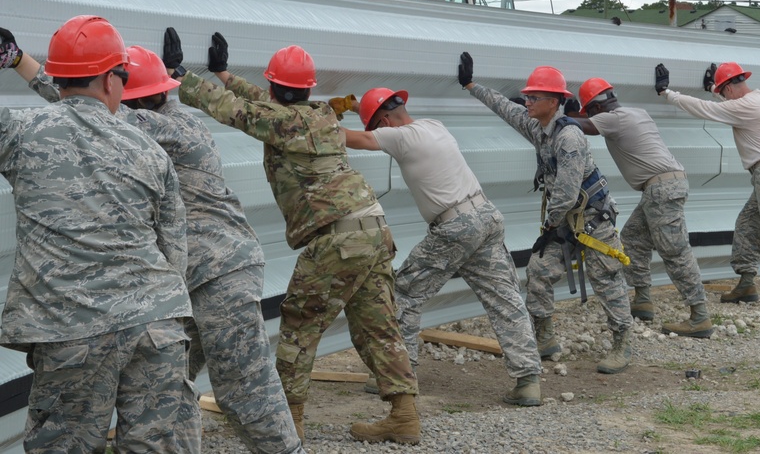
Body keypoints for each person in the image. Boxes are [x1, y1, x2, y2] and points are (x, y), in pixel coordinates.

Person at [4, 29, 306, 453]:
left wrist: (23, 64)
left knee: (243, 383)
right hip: (181, 282)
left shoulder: (158, 128)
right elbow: (83, 102)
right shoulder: (171, 116)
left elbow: (79, 109)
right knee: (164, 392)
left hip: (216, 272)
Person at [172, 30, 420, 445]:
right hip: (374, 229)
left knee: (299, 326)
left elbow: (236, 111)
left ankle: (290, 425)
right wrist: (224, 74)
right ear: (308, 87)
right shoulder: (318, 115)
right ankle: (404, 415)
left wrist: (179, 76)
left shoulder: (283, 123)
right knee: (376, 323)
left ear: (274, 85)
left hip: (338, 239)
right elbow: (262, 103)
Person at [0, 18, 199, 452]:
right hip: (156, 323)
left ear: (56, 76)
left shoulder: (21, 134)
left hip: (71, 331)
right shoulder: (150, 150)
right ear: (112, 80)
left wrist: (9, 60)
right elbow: (175, 250)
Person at [343, 88, 544, 406]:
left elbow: (351, 139)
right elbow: (386, 119)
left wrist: (311, 117)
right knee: (505, 300)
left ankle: (399, 376)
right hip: (487, 217)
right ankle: (528, 380)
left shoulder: (400, 138)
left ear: (384, 122)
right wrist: (358, 107)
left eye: (376, 126)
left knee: (405, 293)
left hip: (455, 227)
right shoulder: (433, 125)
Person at [458, 53, 633, 374]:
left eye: (533, 97)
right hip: (563, 223)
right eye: (527, 96)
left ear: (554, 102)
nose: (526, 102)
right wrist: (471, 85)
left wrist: (550, 226)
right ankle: (545, 338)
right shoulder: (539, 127)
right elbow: (505, 108)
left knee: (606, 279)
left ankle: (622, 343)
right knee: (539, 271)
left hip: (592, 222)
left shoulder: (569, 137)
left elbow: (566, 192)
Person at [654, 61, 760, 316]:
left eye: (723, 91)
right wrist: (713, 87)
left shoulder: (744, 106)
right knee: (747, 224)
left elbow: (707, 109)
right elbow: (729, 105)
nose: (723, 96)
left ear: (729, 89)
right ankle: (746, 284)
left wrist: (668, 94)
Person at [569, 78, 714, 338]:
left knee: (675, 252)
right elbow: (587, 122)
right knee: (633, 241)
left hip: (660, 190)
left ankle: (700, 317)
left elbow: (582, 127)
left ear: (595, 108)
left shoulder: (613, 118)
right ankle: (643, 300)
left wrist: (559, 116)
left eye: (588, 111)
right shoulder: (637, 113)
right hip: (663, 187)